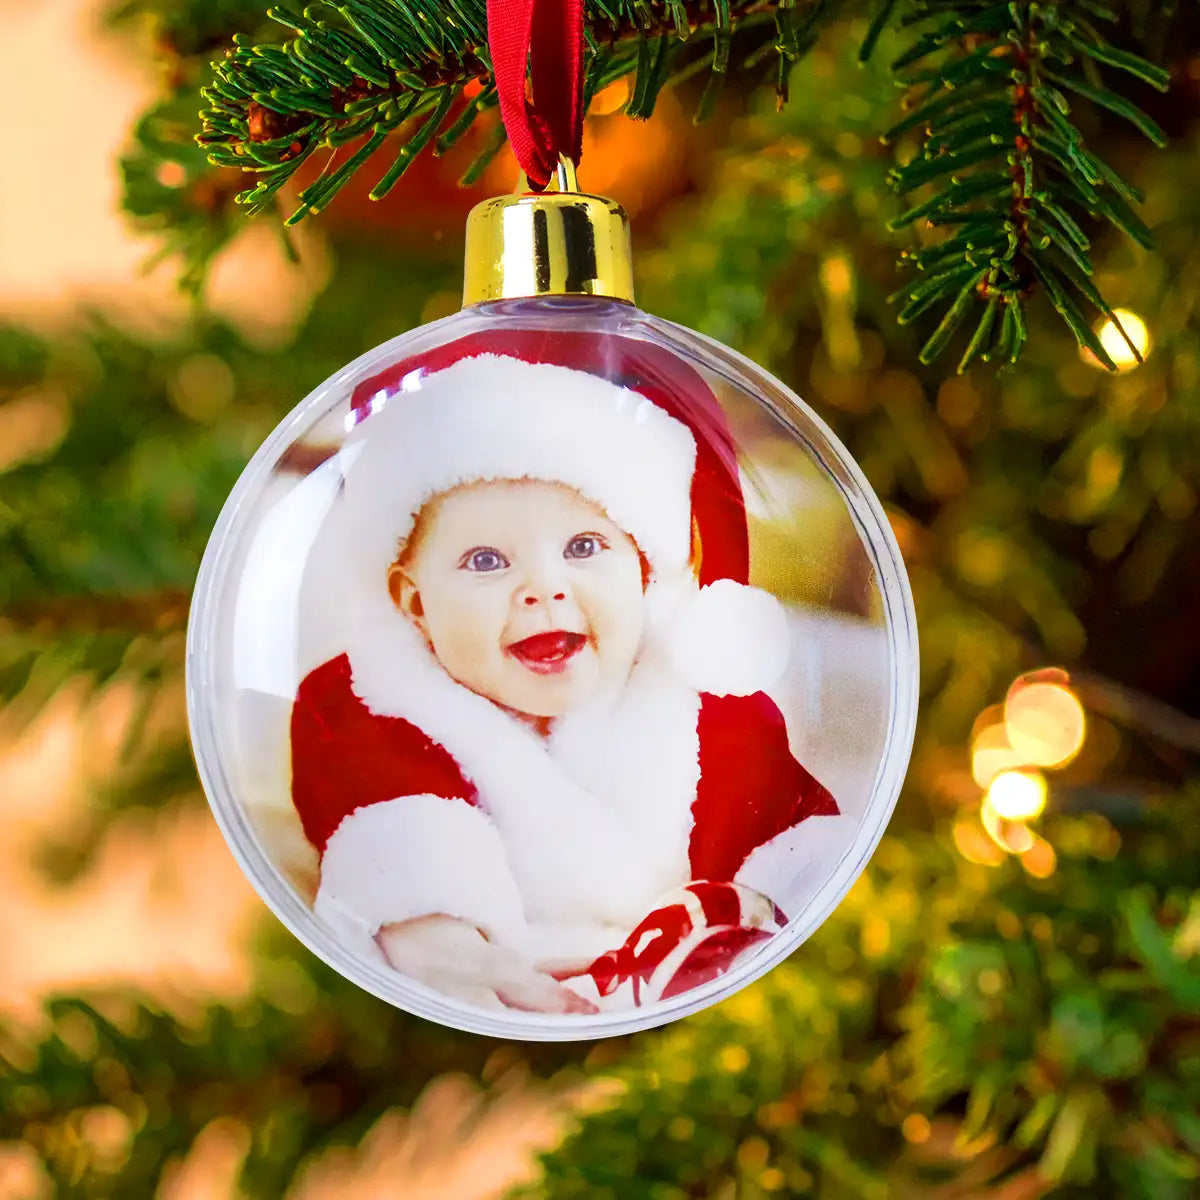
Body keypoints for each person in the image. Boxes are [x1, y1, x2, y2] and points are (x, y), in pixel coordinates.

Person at [289, 328, 840, 1014]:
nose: (544, 590)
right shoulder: (377, 703)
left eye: (584, 547)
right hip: (488, 1015)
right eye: (487, 561)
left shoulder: (707, 708)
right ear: (414, 603)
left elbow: (797, 859)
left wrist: (755, 919)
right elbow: (387, 828)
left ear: (643, 571)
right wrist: (435, 933)